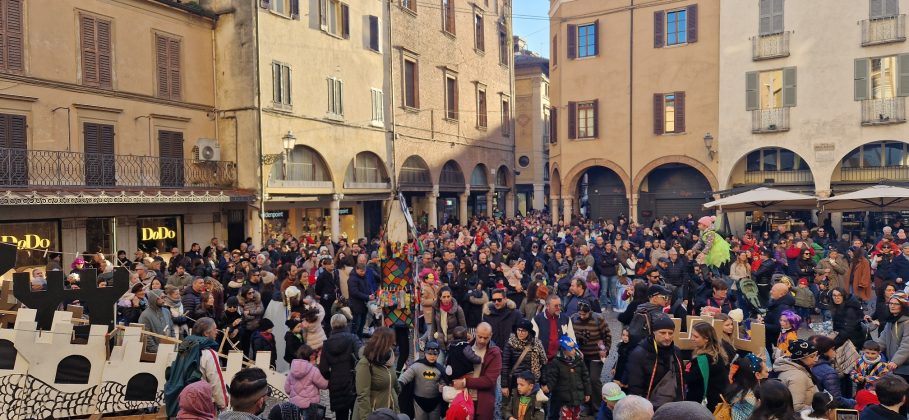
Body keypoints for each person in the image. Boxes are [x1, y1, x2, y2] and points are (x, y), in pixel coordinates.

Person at [625, 316, 685, 410]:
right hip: (649, 407)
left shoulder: (676, 352)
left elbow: (680, 380)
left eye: (670, 333)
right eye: (662, 333)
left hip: (674, 406)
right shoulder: (640, 354)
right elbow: (635, 386)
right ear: (654, 332)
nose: (667, 337)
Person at [450, 322, 502, 420]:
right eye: (480, 337)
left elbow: (489, 381)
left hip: (482, 401)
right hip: (463, 398)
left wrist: (465, 382)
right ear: (475, 333)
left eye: (486, 338)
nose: (482, 340)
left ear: (491, 335)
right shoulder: (466, 347)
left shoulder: (495, 353)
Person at [569, 300, 611, 413]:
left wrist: (605, 349)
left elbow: (607, 335)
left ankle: (598, 407)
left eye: (584, 314)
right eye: (580, 314)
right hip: (581, 356)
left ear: (590, 312)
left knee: (593, 379)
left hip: (596, 355)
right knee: (583, 379)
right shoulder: (573, 319)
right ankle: (586, 404)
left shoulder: (598, 319)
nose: (582, 316)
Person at [319, 314, 362, 420]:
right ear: (345, 324)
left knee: (341, 415)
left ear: (332, 325)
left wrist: (331, 377)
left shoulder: (327, 344)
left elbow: (323, 368)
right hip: (352, 380)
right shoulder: (353, 338)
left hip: (336, 383)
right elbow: (361, 357)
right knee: (356, 413)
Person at [354, 327, 400, 420]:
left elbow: (394, 385)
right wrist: (366, 418)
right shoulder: (365, 363)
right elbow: (363, 395)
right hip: (373, 414)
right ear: (383, 343)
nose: (394, 345)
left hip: (389, 413)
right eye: (391, 343)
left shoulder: (389, 359)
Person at [541, 336, 590, 420]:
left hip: (577, 396)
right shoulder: (556, 362)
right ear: (564, 350)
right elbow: (553, 377)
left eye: (574, 348)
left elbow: (585, 377)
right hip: (564, 397)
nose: (574, 351)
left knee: (576, 416)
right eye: (571, 349)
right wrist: (548, 387)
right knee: (565, 417)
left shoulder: (579, 360)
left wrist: (587, 392)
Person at [684, 321, 729, 411]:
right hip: (717, 402)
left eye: (696, 336)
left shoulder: (703, 360)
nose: (692, 338)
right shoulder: (718, 355)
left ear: (706, 339)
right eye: (692, 335)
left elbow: (687, 378)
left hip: (703, 404)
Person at [398, 341, 443, 420]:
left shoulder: (441, 369)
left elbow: (444, 381)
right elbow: (404, 378)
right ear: (425, 353)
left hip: (435, 402)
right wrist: (398, 385)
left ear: (438, 355)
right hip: (419, 402)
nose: (432, 356)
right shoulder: (416, 366)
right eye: (430, 354)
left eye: (435, 354)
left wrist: (443, 387)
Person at [501, 318, 547, 395]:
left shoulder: (537, 344)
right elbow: (505, 365)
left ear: (529, 332)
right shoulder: (510, 343)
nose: (520, 333)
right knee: (515, 402)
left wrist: (544, 382)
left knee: (532, 402)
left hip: (532, 383)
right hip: (515, 382)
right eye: (518, 330)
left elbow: (543, 364)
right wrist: (504, 385)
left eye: (523, 331)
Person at [808, 335, 856, 408]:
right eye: (833, 349)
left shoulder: (810, 365)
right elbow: (836, 400)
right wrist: (854, 402)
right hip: (824, 409)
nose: (835, 352)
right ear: (825, 351)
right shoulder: (828, 372)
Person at [774, 338, 820, 412]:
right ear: (800, 358)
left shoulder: (797, 370)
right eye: (812, 356)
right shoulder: (798, 376)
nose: (816, 359)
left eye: (816, 355)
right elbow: (796, 407)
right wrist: (818, 411)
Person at [875, 291, 909, 383]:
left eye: (896, 304)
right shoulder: (891, 321)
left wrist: (895, 361)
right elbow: (882, 340)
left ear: (903, 306)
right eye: (890, 303)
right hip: (894, 366)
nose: (892, 306)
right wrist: (872, 351)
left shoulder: (907, 322)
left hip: (905, 367)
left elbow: (906, 345)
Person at [725, 353, 769, 420]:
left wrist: (755, 361)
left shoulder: (735, 385)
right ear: (757, 375)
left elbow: (747, 366)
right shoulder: (750, 398)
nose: (768, 372)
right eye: (766, 371)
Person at [531, 295, 574, 362]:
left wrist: (572, 349)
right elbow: (534, 341)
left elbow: (572, 338)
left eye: (560, 305)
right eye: (556, 306)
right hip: (543, 360)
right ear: (547, 306)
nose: (559, 308)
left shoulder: (566, 319)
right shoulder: (537, 320)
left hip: (562, 360)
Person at [137, 289, 174, 353]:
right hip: (154, 353)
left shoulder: (166, 311)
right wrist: (157, 351)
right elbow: (147, 337)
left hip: (168, 350)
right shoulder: (145, 315)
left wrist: (173, 345)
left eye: (165, 297)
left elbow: (171, 329)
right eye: (162, 297)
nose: (164, 300)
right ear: (154, 299)